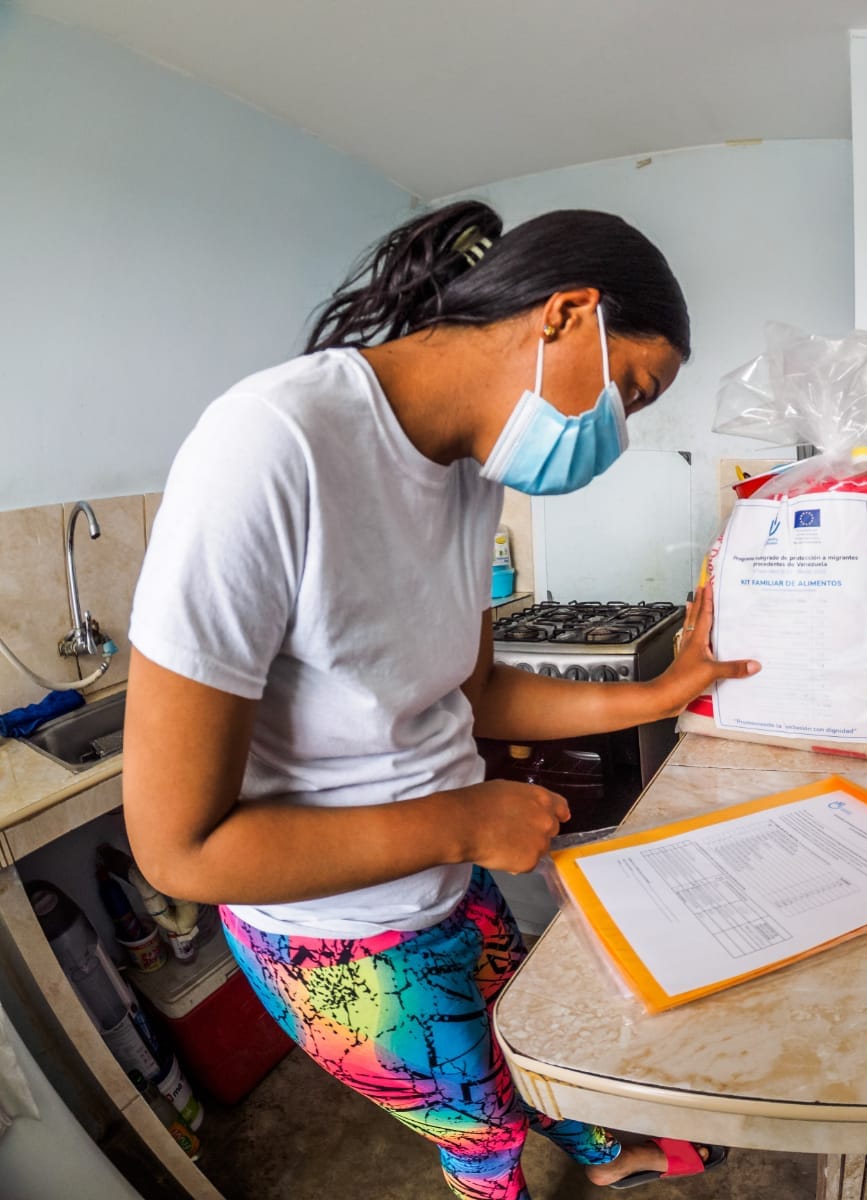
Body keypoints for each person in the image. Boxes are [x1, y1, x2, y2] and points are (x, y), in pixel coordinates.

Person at [123, 201, 757, 1195]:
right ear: (567, 314)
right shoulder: (270, 445)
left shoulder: (474, 474)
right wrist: (462, 822)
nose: (620, 433)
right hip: (334, 932)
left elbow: (479, 693)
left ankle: (600, 1155)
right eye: (631, 393)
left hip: (449, 881)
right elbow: (178, 850)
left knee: (530, 1041)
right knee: (483, 1133)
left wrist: (662, 693)